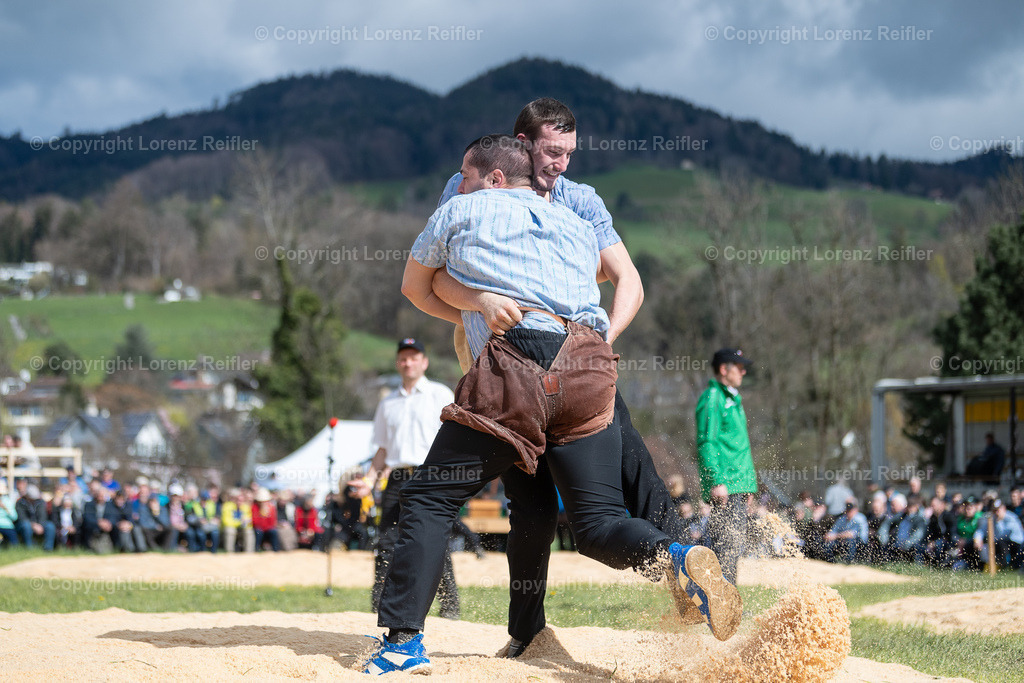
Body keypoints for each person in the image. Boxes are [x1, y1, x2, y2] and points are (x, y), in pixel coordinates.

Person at [364, 135, 740, 675]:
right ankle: (677, 557)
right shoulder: (574, 222)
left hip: (515, 366)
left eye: (466, 176)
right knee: (598, 522)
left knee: (427, 499)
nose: (458, 185)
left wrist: (480, 301)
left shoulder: (462, 207)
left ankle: (402, 645)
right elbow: (619, 281)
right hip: (589, 366)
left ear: (493, 178)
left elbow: (416, 289)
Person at [432, 99, 700, 650]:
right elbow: (434, 277)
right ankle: (527, 635)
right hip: (505, 379)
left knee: (640, 478)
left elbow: (629, 280)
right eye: (553, 152)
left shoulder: (580, 200)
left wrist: (603, 341)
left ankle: (691, 581)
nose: (562, 164)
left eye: (570, 153)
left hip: (579, 371)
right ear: (522, 146)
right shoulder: (471, 186)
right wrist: (481, 303)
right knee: (530, 511)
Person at [358, 338, 461, 619]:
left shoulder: (441, 394)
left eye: (414, 357)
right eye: (403, 358)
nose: (408, 362)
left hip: (432, 476)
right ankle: (379, 605)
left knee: (432, 540)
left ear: (424, 361)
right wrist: (368, 481)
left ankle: (450, 606)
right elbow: (381, 450)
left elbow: (456, 438)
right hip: (397, 477)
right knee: (387, 542)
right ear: (397, 363)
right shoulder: (387, 403)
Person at [695, 348, 757, 584]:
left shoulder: (732, 399)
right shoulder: (713, 397)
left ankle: (724, 607)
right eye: (738, 366)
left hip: (738, 485)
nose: (743, 371)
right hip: (726, 486)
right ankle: (720, 609)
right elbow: (706, 442)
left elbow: (740, 448)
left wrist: (749, 485)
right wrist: (716, 480)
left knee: (733, 548)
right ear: (724, 369)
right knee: (726, 549)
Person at [973, 499, 1024, 570]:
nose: (996, 513)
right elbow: (980, 530)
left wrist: (998, 522)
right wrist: (977, 539)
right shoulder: (992, 518)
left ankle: (1004, 566)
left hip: (1015, 544)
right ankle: (981, 566)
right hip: (999, 544)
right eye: (994, 510)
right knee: (982, 546)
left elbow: (1006, 535)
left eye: (998, 510)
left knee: (1001, 544)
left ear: (1004, 509)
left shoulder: (1011, 518)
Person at [15, 483, 56, 551]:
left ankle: (48, 548)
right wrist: (33, 525)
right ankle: (29, 548)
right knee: (26, 525)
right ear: (27, 496)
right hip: (24, 524)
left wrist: (40, 525)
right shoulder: (20, 502)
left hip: (39, 524)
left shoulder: (41, 502)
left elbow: (43, 515)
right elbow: (22, 517)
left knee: (50, 526)